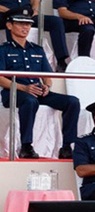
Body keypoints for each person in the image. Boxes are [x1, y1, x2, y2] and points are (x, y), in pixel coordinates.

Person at [0, 8, 80, 156]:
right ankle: (26, 146)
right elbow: (0, 78)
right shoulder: (3, 50)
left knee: (72, 102)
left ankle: (67, 147)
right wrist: (23, 88)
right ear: (9, 25)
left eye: (28, 24)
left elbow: (47, 75)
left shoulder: (37, 49)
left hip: (37, 91)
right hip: (14, 93)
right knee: (30, 101)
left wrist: (47, 86)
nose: (25, 27)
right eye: (20, 23)